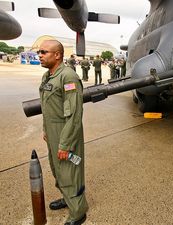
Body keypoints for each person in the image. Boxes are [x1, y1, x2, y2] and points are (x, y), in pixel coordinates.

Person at [38, 40, 88, 225]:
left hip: (67, 134)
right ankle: (68, 199)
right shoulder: (47, 76)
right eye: (39, 52)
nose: (40, 55)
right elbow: (48, 107)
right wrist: (45, 130)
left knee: (70, 171)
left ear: (57, 55)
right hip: (52, 133)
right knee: (57, 168)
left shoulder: (68, 77)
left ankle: (78, 211)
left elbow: (74, 115)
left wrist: (65, 144)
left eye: (44, 52)